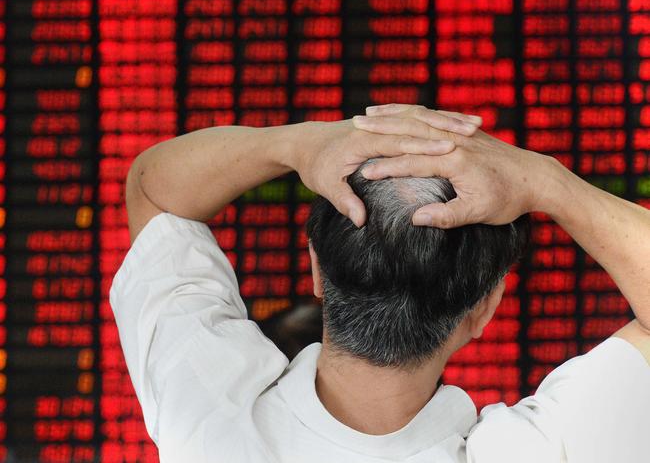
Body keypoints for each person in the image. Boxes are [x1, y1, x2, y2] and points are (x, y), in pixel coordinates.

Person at [111, 104, 650, 462]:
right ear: (483, 310)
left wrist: (302, 143)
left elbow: (155, 191)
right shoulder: (533, 452)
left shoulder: (209, 416)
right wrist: (543, 180)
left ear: (317, 269)